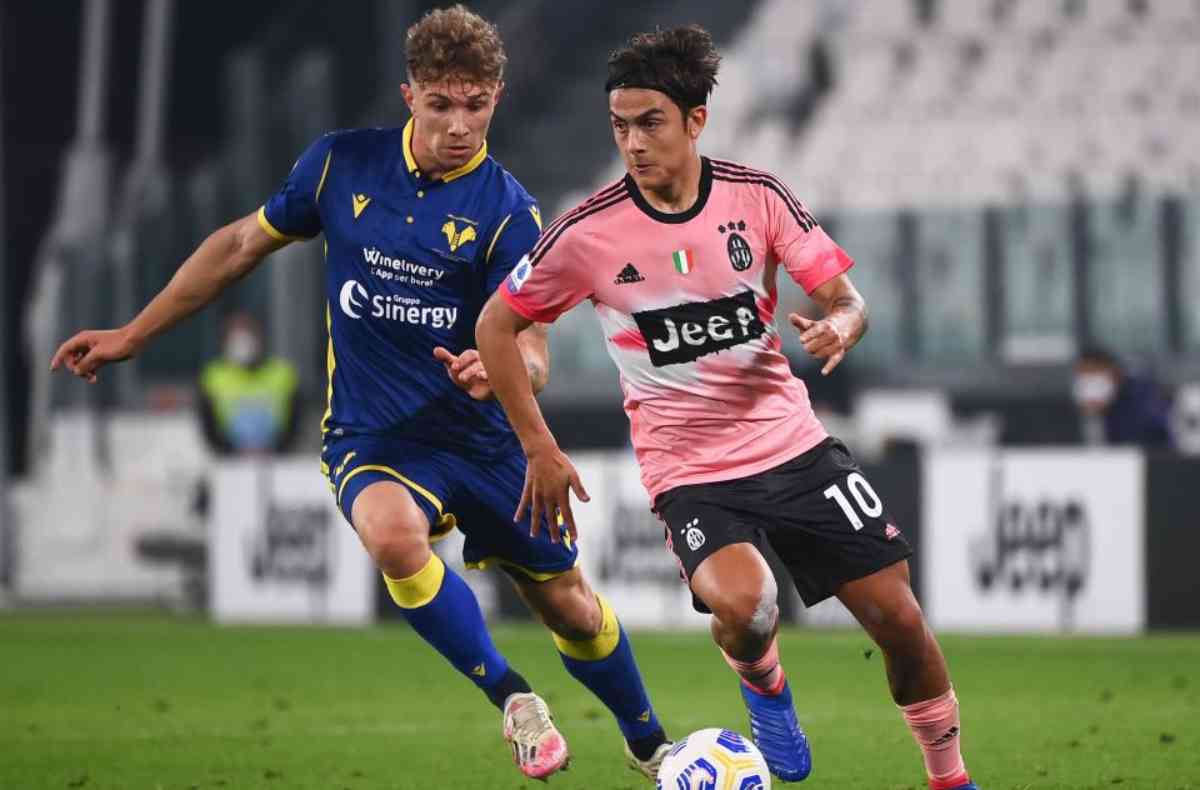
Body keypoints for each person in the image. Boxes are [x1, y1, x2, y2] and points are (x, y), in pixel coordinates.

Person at [51, 5, 670, 781]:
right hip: (374, 435)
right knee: (391, 537)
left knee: (570, 606)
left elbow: (533, 344)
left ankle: (649, 742)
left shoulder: (508, 213)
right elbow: (241, 244)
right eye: (441, 104)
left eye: (475, 106)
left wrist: (508, 370)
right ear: (409, 95)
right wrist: (134, 334)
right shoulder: (340, 165)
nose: (458, 125)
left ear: (497, 99)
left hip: (482, 440)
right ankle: (514, 699)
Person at [477, 26, 979, 790]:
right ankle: (762, 677)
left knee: (901, 619)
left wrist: (842, 323)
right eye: (619, 125)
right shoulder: (587, 232)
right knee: (748, 606)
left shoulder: (757, 196)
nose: (633, 142)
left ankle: (951, 780)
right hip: (691, 469)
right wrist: (538, 444)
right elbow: (499, 324)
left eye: (650, 122)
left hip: (795, 445)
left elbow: (845, 298)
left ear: (695, 120)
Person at [197, 311, 300, 456]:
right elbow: (208, 426)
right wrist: (231, 451)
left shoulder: (283, 374)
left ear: (260, 337)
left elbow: (296, 422)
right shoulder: (213, 378)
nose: (242, 342)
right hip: (229, 462)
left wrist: (277, 450)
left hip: (279, 460)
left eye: (247, 333)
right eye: (235, 336)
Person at [1073, 346, 1173, 448]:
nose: (1090, 386)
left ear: (1116, 375)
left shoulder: (1143, 401)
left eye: (1094, 375)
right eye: (1084, 377)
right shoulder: (1067, 412)